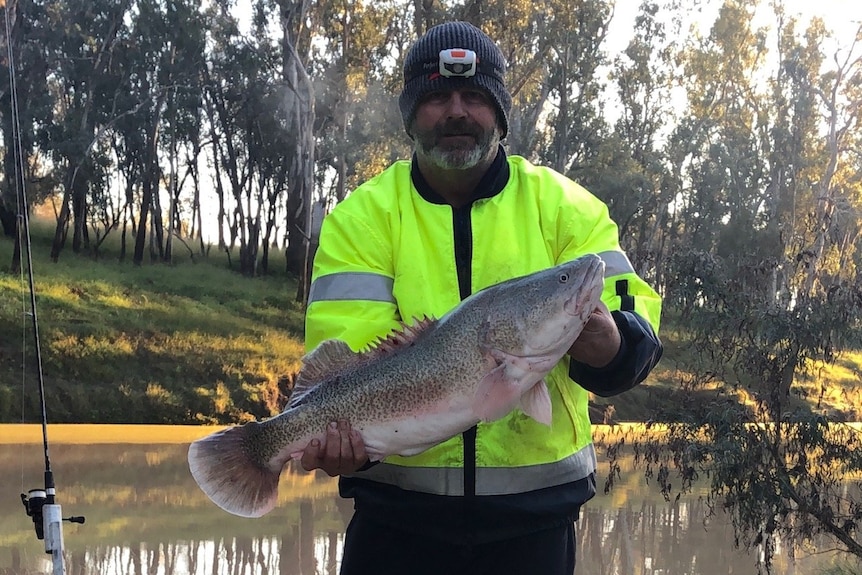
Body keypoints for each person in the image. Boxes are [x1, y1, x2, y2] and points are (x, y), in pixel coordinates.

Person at [301, 20, 663, 575]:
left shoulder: (567, 209)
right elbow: (345, 358)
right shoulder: (360, 218)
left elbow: (637, 334)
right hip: (394, 531)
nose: (456, 111)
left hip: (534, 530)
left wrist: (610, 346)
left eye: (474, 96)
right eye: (436, 97)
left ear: (498, 113)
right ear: (409, 115)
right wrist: (330, 436)